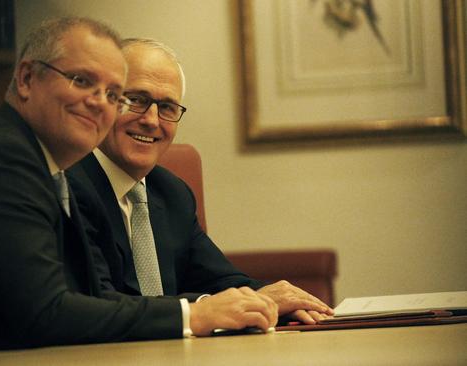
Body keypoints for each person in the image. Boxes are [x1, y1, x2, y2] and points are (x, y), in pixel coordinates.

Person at [0, 18, 278, 365]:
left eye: (113, 94)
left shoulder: (43, 161)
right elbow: (48, 314)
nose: (100, 103)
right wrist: (194, 313)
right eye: (82, 81)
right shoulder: (4, 158)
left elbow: (92, 299)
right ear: (26, 78)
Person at [67, 38, 333, 325]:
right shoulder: (69, 184)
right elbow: (102, 302)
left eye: (167, 107)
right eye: (137, 100)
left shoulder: (171, 192)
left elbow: (220, 278)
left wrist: (272, 298)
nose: (152, 120)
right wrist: (204, 307)